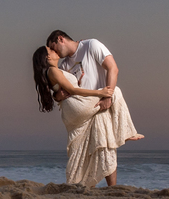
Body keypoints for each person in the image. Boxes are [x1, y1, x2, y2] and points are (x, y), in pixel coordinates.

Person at [31, 38, 142, 187]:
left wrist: (56, 95)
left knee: (84, 145)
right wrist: (100, 93)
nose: (54, 51)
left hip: (72, 112)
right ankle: (125, 132)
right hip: (77, 106)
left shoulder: (59, 68)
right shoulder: (54, 70)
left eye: (53, 47)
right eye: (51, 50)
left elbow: (59, 89)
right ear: (47, 57)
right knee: (115, 91)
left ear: (60, 39)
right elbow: (73, 90)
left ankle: (77, 182)